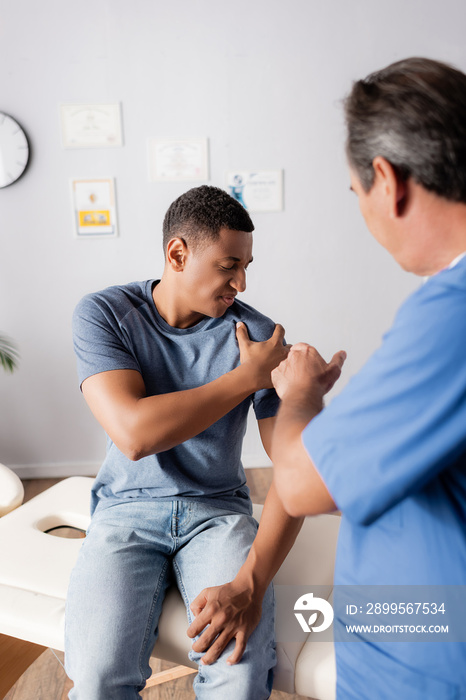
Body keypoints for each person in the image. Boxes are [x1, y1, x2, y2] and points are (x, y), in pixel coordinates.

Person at [271, 57, 466, 699]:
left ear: (387, 180)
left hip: (424, 670)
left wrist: (297, 396)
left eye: (355, 195)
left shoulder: (451, 315)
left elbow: (302, 484)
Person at [66, 185, 302, 700]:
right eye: (228, 265)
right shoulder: (105, 313)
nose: (240, 282)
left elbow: (295, 469)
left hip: (216, 514)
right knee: (97, 678)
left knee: (238, 672)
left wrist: (252, 585)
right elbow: (133, 435)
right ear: (177, 254)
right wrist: (245, 379)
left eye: (247, 266)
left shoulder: (257, 338)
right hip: (126, 512)